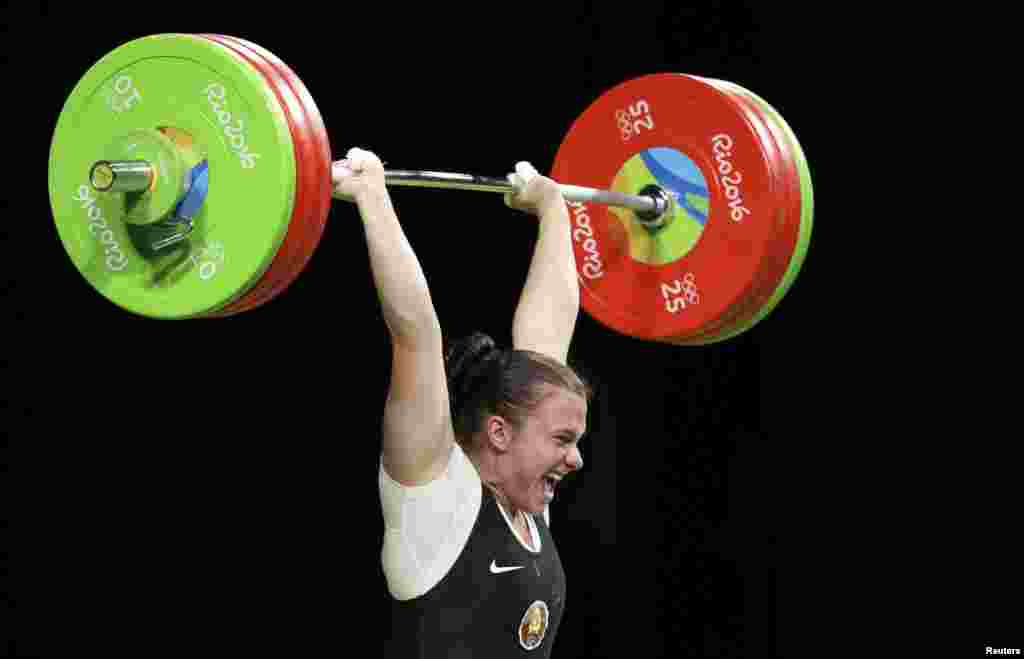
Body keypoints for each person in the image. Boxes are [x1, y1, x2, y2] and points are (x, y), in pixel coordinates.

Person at [334, 148, 592, 658]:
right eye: (563, 440)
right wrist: (372, 196)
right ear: (500, 433)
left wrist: (554, 209)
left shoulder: (526, 504)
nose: (577, 457)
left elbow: (549, 329)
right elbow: (416, 336)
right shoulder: (434, 499)